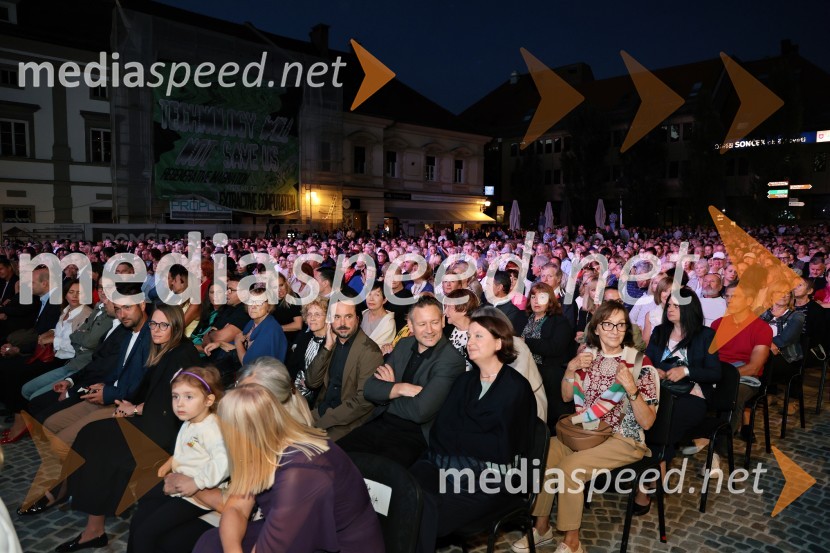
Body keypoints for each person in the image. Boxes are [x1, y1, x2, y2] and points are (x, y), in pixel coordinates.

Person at [50, 304, 202, 552]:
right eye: (153, 324)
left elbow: (177, 405)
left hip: (166, 432)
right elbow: (158, 395)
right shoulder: (164, 349)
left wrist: (135, 410)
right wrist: (135, 406)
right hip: (153, 419)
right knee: (92, 433)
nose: (156, 329)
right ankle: (75, 498)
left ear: (176, 326)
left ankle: (92, 528)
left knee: (102, 446)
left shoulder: (182, 355)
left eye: (164, 325)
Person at [513, 301, 658, 553]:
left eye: (620, 324)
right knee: (545, 453)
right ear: (597, 328)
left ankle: (572, 542)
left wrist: (632, 390)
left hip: (624, 439)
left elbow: (647, 422)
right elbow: (567, 397)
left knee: (570, 468)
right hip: (586, 433)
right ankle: (542, 527)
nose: (614, 330)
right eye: (608, 324)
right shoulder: (587, 357)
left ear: (626, 329)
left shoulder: (639, 364)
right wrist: (570, 369)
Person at [192, 384, 384, 553]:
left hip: (340, 545)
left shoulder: (301, 471)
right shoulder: (264, 442)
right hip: (296, 527)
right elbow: (236, 509)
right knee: (212, 542)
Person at [411, 314, 535, 553]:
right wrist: (468, 437)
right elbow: (441, 429)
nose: (470, 342)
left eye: (479, 336)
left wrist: (461, 437)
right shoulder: (464, 381)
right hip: (447, 463)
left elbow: (502, 448)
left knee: (426, 509)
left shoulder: (515, 388)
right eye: (469, 336)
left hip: (493, 479)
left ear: (499, 343)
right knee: (405, 491)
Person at [337, 296, 466, 467]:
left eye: (434, 322)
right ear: (410, 326)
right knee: (334, 459)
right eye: (422, 324)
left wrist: (389, 390)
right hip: (380, 422)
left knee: (375, 476)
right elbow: (370, 388)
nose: (429, 330)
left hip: (413, 435)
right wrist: (401, 388)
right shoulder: (404, 344)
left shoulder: (451, 359)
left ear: (443, 321)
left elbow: (420, 411)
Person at [634, 288, 721, 511]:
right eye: (669, 305)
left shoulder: (705, 335)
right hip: (661, 390)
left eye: (675, 306)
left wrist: (686, 371)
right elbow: (649, 361)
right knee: (643, 418)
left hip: (692, 395)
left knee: (662, 424)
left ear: (688, 308)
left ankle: (646, 484)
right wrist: (658, 370)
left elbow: (715, 373)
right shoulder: (661, 331)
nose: (670, 309)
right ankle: (657, 473)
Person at [128, 366, 227, 553]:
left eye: (189, 397)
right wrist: (169, 464)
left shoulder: (212, 428)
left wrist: (197, 482)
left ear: (208, 400)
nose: (180, 403)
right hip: (180, 486)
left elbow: (223, 462)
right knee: (142, 511)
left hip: (194, 496)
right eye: (175, 396)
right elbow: (184, 452)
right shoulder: (192, 420)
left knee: (146, 533)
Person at [1, 279, 91, 444]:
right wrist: (49, 335)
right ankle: (19, 416)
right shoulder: (65, 311)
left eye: (79, 292)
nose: (75, 296)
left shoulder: (86, 315)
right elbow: (57, 332)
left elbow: (78, 346)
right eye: (71, 292)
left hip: (67, 360)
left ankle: (25, 421)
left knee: (19, 373)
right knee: (11, 367)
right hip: (53, 355)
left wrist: (52, 341)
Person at [306, 300, 383, 440]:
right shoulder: (331, 343)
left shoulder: (370, 351)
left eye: (348, 316)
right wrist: (327, 346)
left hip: (346, 423)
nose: (342, 323)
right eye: (337, 317)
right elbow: (311, 382)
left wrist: (322, 421)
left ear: (358, 319)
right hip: (320, 411)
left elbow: (362, 402)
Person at [711, 284, 772, 441]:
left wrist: (723, 376)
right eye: (727, 296)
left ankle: (722, 443)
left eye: (735, 296)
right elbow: (708, 355)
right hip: (718, 372)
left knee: (734, 393)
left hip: (745, 377)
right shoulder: (717, 324)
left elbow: (754, 367)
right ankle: (695, 433)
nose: (729, 300)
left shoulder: (762, 328)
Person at [521, 282, 575, 427]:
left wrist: (526, 341)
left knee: (549, 418)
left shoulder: (559, 321)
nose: (536, 301)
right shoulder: (525, 319)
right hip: (526, 373)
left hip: (550, 376)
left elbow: (555, 348)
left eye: (542, 297)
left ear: (550, 300)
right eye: (533, 297)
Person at [285, 296, 329, 407]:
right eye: (309, 314)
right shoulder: (304, 337)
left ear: (327, 318)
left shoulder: (332, 344)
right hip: (294, 391)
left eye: (317, 314)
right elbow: (292, 366)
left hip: (317, 400)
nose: (312, 318)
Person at [442, 288, 480, 370]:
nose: (445, 312)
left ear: (463, 309)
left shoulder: (479, 336)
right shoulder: (445, 331)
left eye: (449, 307)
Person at [360, 281, 396, 348]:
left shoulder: (388, 323)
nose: (371, 299)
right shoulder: (362, 314)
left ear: (384, 300)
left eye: (377, 295)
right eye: (369, 294)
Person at [271, 273, 302, 345]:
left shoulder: (293, 298)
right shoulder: (270, 300)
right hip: (275, 338)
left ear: (286, 283)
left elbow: (298, 325)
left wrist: (276, 329)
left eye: (281, 285)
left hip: (290, 340)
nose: (279, 290)